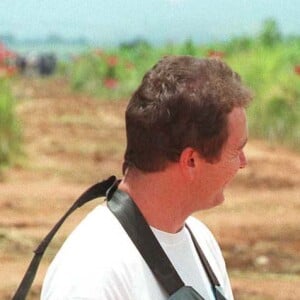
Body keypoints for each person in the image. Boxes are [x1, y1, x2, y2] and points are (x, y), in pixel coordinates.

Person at [41, 56, 252, 299]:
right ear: (191, 161)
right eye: (237, 151)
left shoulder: (202, 242)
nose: (243, 163)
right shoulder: (92, 271)